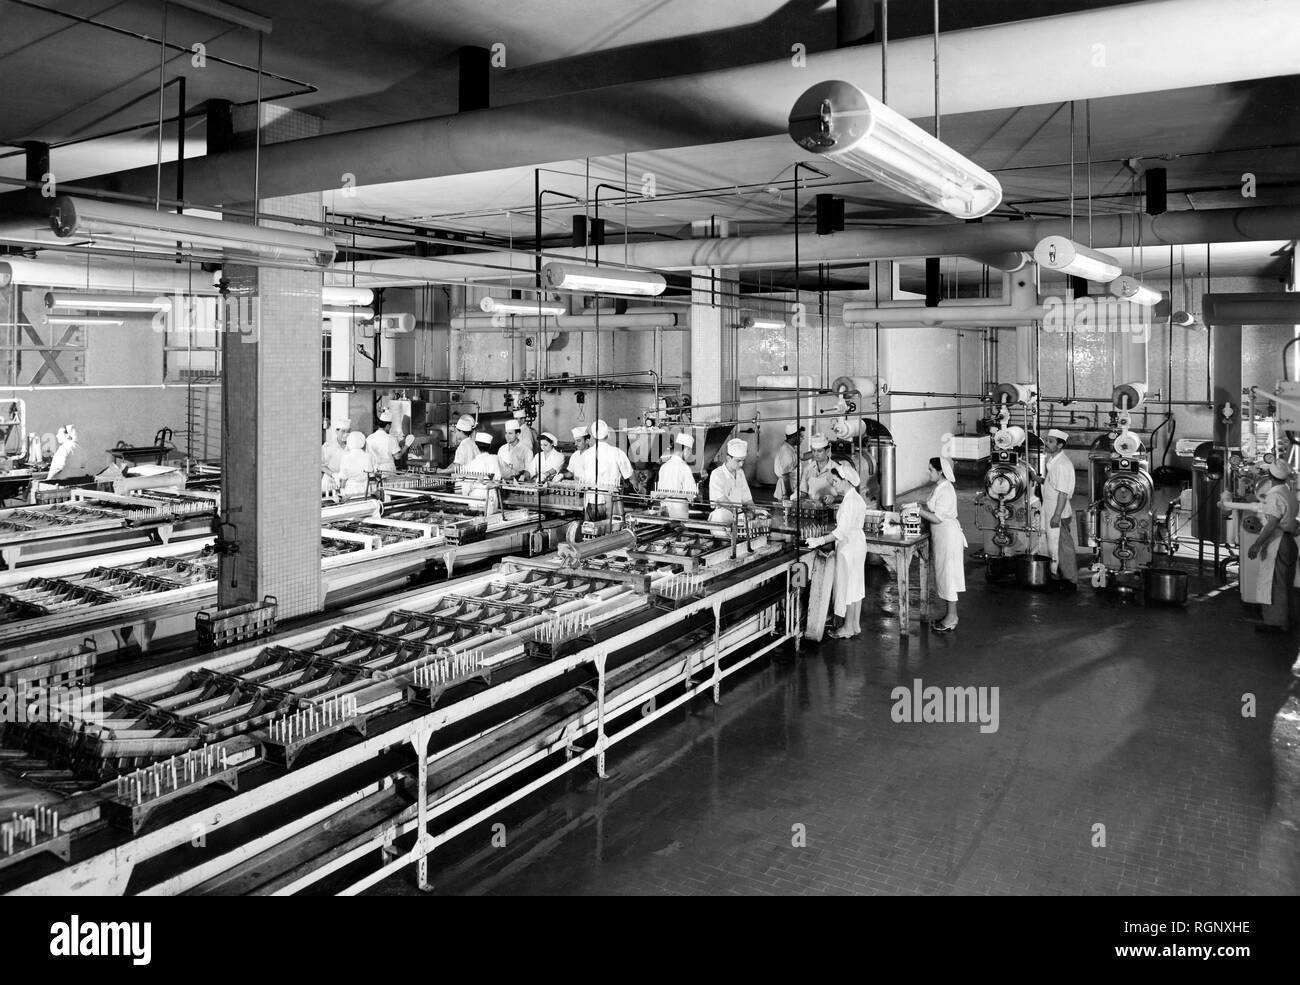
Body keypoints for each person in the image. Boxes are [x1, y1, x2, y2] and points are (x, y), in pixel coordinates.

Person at [806, 463, 868, 638]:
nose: (833, 485)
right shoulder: (855, 497)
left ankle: (847, 628)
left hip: (848, 546)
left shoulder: (849, 502)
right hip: (857, 543)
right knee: (856, 585)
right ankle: (855, 625)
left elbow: (840, 532)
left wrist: (819, 540)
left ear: (846, 481)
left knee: (848, 586)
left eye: (835, 481)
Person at [911, 447, 966, 633]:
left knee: (948, 577)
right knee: (943, 576)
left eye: (930, 469)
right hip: (941, 536)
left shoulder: (947, 490)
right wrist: (921, 506)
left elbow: (938, 517)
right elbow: (933, 509)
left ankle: (952, 618)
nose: (928, 472)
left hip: (948, 536)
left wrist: (918, 511)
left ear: (940, 471)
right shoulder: (940, 487)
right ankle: (949, 615)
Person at [1248, 459, 1299, 632]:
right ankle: (1287, 619)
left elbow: (1271, 524)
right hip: (1289, 541)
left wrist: (1256, 544)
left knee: (1274, 583)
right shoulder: (1289, 493)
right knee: (1286, 582)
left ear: (1269, 476)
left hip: (1278, 543)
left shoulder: (1274, 496)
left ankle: (1275, 622)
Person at [1041, 427, 1078, 591]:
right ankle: (1057, 575)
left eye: (1050, 441)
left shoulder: (1062, 465)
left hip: (1059, 511)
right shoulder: (1053, 460)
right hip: (1051, 508)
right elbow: (1052, 484)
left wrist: (1056, 516)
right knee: (1053, 545)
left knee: (1063, 547)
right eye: (1047, 440)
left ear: (1060, 445)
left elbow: (1063, 493)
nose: (1046, 444)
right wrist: (1037, 479)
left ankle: (1070, 580)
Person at [709, 438, 765, 525]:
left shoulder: (740, 473)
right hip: (722, 519)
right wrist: (740, 514)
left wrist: (757, 510)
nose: (741, 464)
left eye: (743, 460)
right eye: (738, 461)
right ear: (728, 458)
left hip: (738, 518)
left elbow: (747, 500)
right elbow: (722, 500)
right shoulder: (717, 474)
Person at [585, 420, 633, 518]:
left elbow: (580, 478)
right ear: (608, 435)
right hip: (611, 500)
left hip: (591, 500)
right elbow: (630, 476)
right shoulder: (617, 453)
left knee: (592, 530)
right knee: (613, 530)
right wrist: (641, 490)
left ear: (593, 437)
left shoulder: (586, 454)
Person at [656, 432, 699, 519]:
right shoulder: (684, 468)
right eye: (690, 451)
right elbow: (692, 493)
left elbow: (660, 491)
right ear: (686, 449)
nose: (689, 454)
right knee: (680, 531)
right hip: (679, 511)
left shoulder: (664, 467)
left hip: (665, 510)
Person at [460, 432, 504, 510]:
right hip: (492, 498)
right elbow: (506, 474)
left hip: (477, 499)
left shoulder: (472, 464)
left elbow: (466, 487)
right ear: (490, 446)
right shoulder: (496, 459)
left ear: (476, 447)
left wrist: (465, 495)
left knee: (479, 519)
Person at [799, 434, 839, 505]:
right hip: (813, 509)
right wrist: (797, 495)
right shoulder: (808, 468)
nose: (816, 454)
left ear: (827, 450)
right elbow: (803, 492)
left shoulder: (836, 469)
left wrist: (834, 498)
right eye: (813, 451)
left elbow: (845, 495)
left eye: (819, 451)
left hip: (831, 510)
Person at [336, 430, 374, 499]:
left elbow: (343, 478)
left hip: (351, 492)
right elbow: (371, 475)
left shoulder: (346, 457)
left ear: (349, 442)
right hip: (366, 491)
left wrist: (342, 492)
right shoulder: (368, 456)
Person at [773, 423, 804, 501]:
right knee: (786, 511)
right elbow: (785, 477)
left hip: (792, 486)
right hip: (787, 489)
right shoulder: (786, 452)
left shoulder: (791, 448)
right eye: (801, 436)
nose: (803, 439)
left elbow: (803, 456)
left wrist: (818, 448)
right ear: (794, 436)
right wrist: (790, 495)